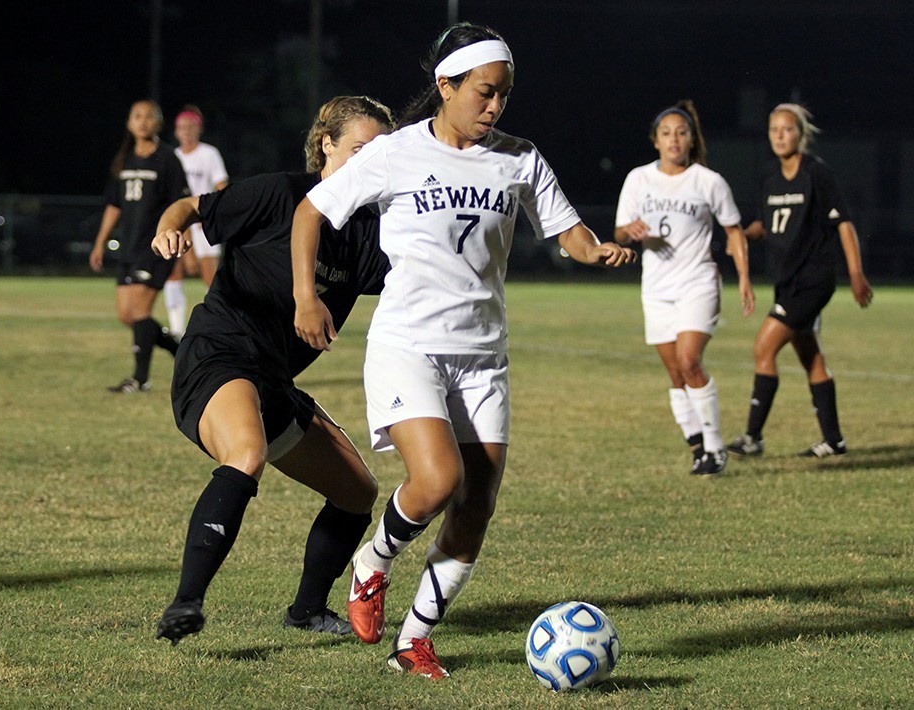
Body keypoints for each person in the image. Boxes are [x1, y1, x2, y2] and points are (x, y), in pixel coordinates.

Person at [291, 22, 636, 679]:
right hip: (408, 345)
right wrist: (307, 297)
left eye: (503, 95)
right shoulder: (395, 154)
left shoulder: (518, 158)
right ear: (445, 85)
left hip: (483, 354)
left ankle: (413, 641)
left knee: (476, 504)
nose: (494, 106)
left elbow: (567, 229)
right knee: (439, 481)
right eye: (483, 92)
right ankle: (374, 561)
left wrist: (597, 249)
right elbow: (312, 212)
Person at [151, 95, 395, 646]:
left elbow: (414, 275)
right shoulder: (281, 194)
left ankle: (307, 611)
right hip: (220, 355)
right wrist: (171, 230)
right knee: (247, 453)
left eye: (382, 153)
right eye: (360, 148)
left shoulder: (367, 231)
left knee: (357, 491)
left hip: (275, 380)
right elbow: (189, 209)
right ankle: (186, 601)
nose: (371, 161)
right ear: (326, 144)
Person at [615, 100, 754, 476]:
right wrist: (630, 231)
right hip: (656, 288)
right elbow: (619, 231)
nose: (674, 139)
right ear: (655, 141)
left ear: (692, 140)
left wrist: (743, 277)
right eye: (666, 133)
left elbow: (734, 231)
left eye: (681, 133)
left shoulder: (708, 181)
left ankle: (715, 448)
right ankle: (697, 445)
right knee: (676, 373)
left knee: (690, 361)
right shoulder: (638, 179)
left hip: (698, 282)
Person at [727, 103, 873, 458]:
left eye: (787, 129)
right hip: (787, 279)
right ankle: (833, 440)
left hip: (813, 279)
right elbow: (768, 223)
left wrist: (856, 273)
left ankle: (753, 438)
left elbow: (843, 223)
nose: (780, 136)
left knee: (764, 347)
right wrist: (747, 235)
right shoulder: (768, 176)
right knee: (811, 358)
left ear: (801, 134)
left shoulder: (815, 173)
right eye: (774, 129)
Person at [89, 99, 190, 393]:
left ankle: (139, 379)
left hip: (156, 247)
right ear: (129, 123)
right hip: (129, 248)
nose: (143, 121)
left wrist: (184, 240)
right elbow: (113, 205)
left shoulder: (167, 159)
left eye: (149, 117)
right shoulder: (124, 160)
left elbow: (182, 203)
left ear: (158, 123)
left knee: (140, 311)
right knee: (127, 315)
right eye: (137, 116)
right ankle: (177, 347)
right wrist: (100, 243)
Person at [164, 105, 231, 338]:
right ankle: (176, 330)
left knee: (210, 276)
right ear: (176, 131)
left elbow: (221, 184)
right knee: (174, 273)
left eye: (191, 127)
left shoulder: (209, 154)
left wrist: (216, 212)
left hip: (203, 224)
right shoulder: (173, 158)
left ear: (199, 129)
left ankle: (219, 326)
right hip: (182, 224)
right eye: (182, 127)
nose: (187, 131)